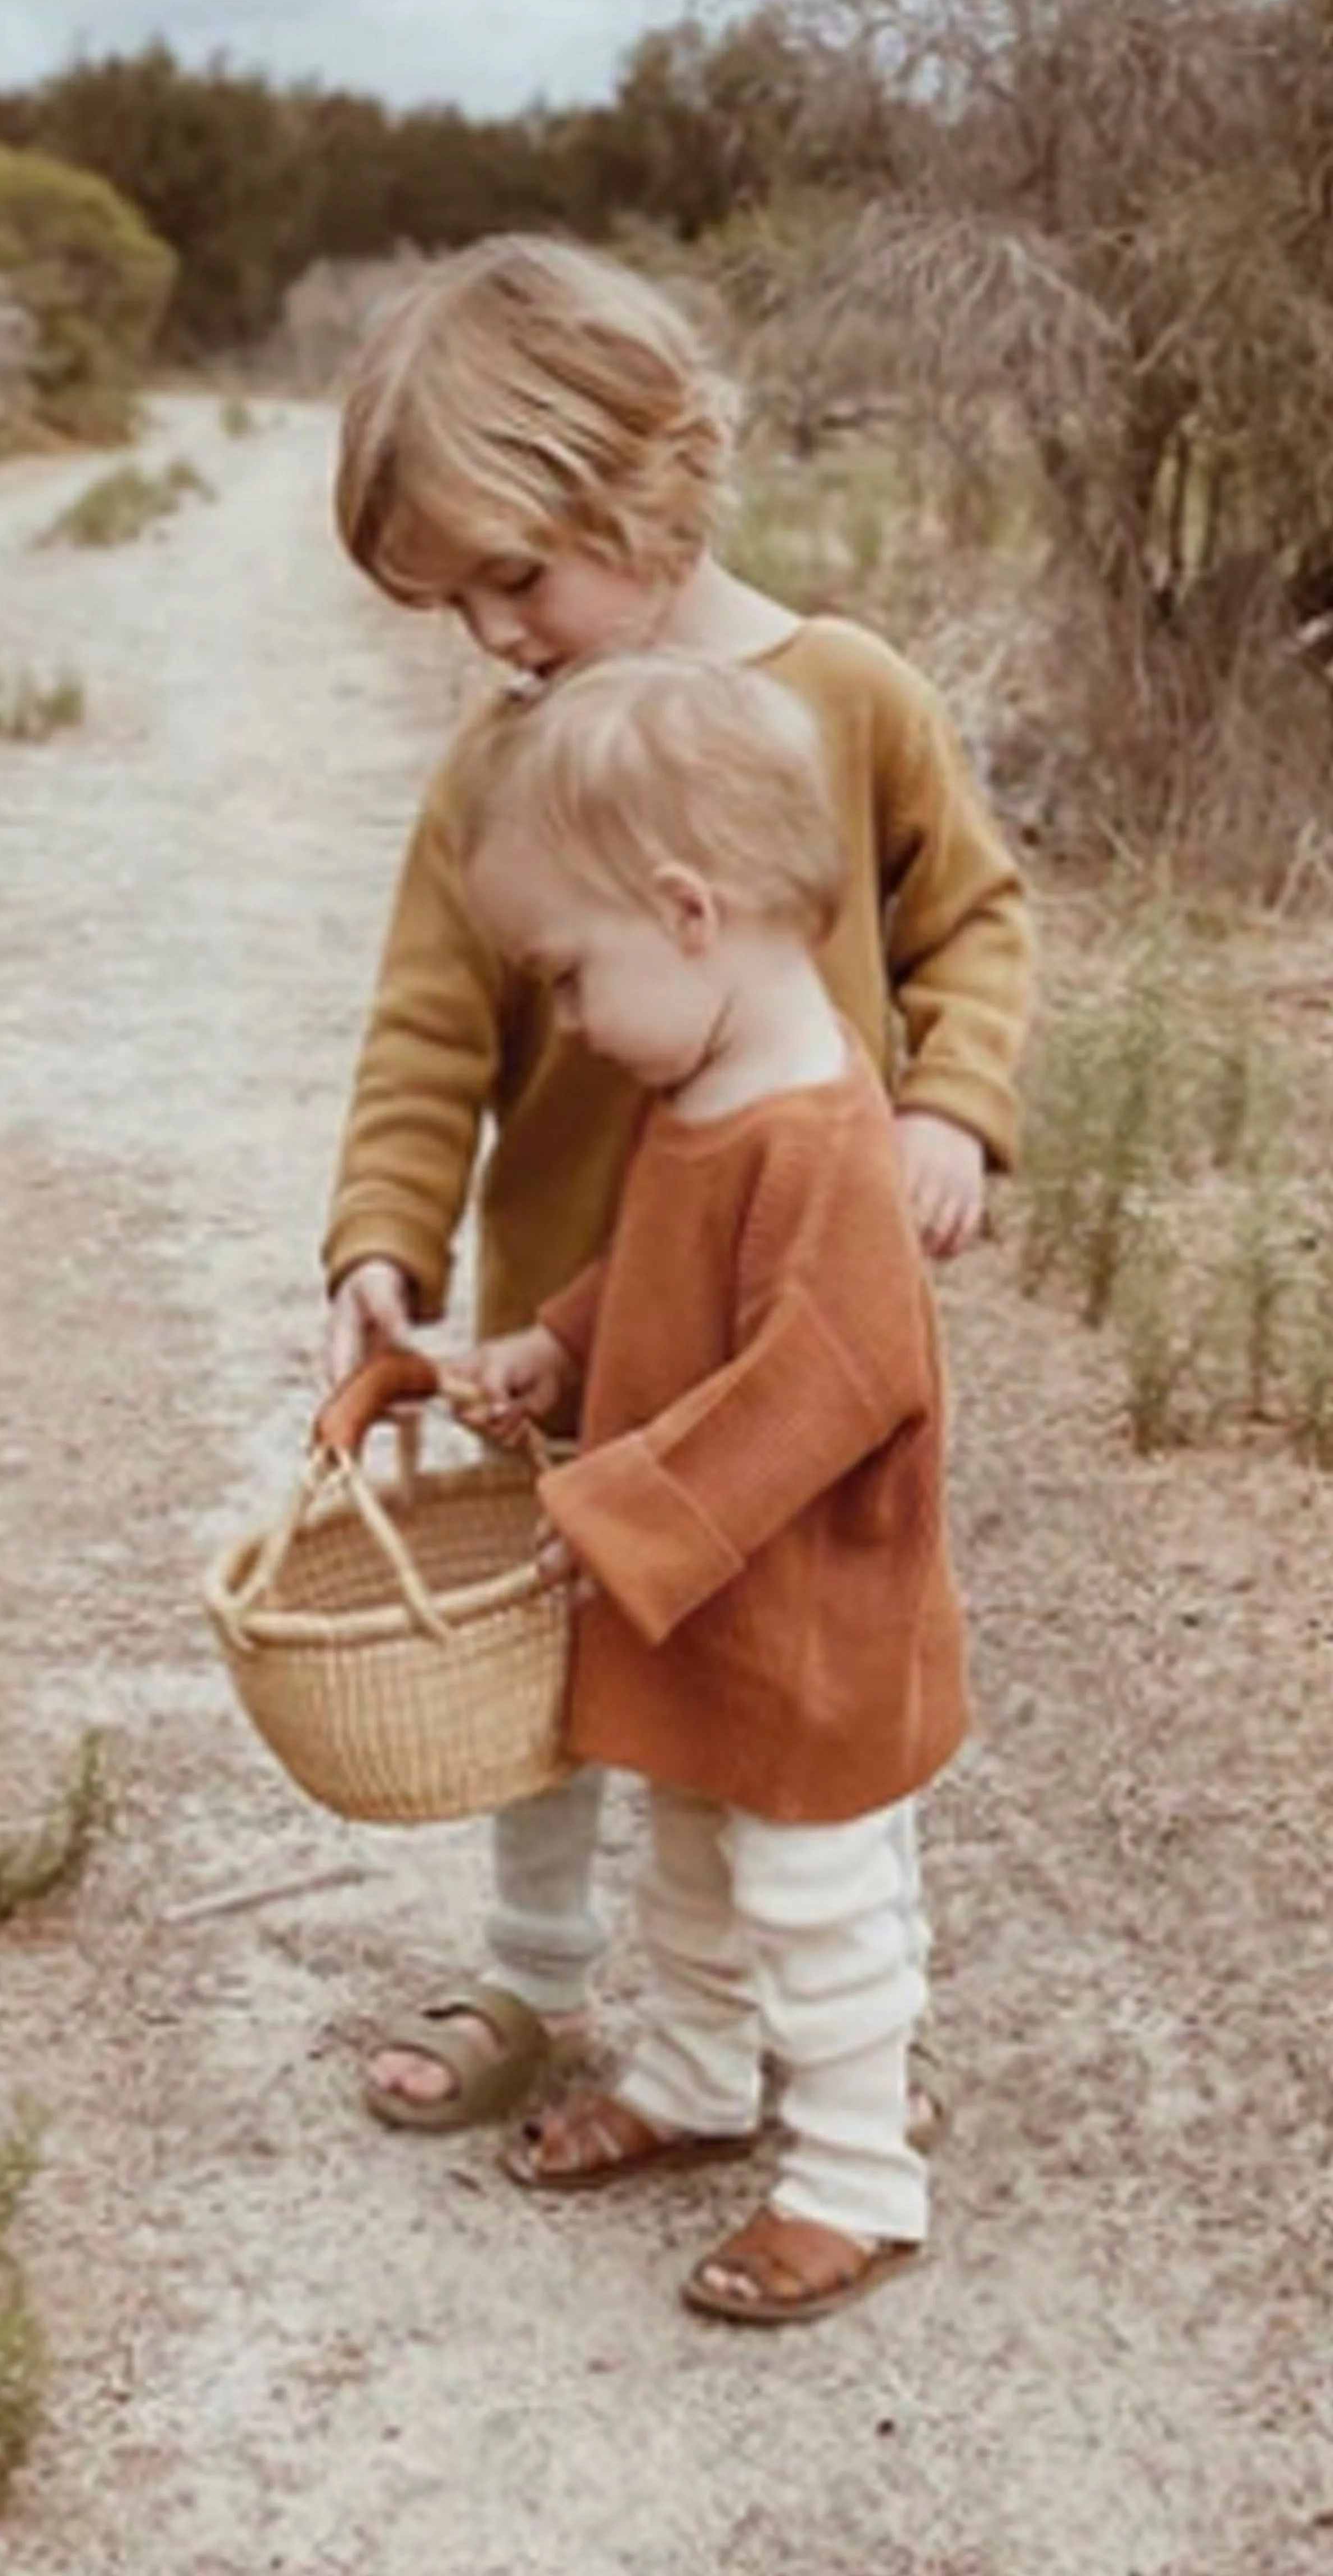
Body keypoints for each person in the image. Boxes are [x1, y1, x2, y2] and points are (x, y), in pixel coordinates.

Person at [321, 233, 1030, 2140]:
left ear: (642, 488)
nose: (493, 636)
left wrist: (951, 1107)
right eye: (449, 603)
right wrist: (385, 1243)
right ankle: (539, 1980)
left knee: (806, 1685)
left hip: (791, 1318)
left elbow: (970, 917)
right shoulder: (504, 767)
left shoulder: (848, 696)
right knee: (556, 1667)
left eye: (514, 578)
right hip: (573, 1309)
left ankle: (856, 2034)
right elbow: (424, 1032)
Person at [450, 649, 966, 2321]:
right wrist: (562, 1345)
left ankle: (856, 2172)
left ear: (686, 913)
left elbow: (824, 1384)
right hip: (710, 1607)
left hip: (810, 1618)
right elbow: (671, 1280)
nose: (576, 1028)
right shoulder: (705, 1091)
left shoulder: (823, 1139)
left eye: (573, 980)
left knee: (812, 1899)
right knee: (686, 1857)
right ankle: (693, 2075)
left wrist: (608, 1515)